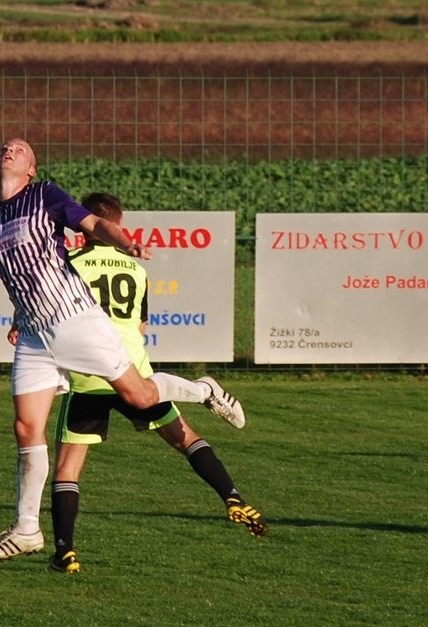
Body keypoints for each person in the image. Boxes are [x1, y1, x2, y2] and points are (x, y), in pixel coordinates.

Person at [0, 138, 245, 561]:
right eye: (6, 147)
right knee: (26, 427)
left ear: (31, 169)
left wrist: (124, 242)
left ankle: (203, 390)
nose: (10, 149)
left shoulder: (45, 195)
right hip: (33, 335)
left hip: (76, 320)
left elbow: (94, 224)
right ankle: (27, 529)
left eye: (20, 149)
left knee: (141, 396)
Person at [41, 193, 266, 574]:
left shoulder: (69, 264)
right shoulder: (136, 269)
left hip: (89, 375)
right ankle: (232, 496)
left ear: (82, 226)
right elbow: (141, 326)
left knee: (67, 467)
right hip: (133, 371)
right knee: (184, 437)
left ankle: (66, 552)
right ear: (116, 227)